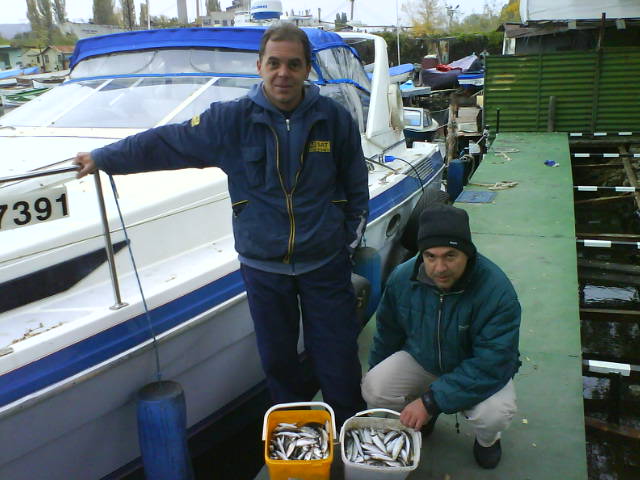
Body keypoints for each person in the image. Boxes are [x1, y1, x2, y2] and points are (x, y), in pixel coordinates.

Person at [74, 22, 369, 426]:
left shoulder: (333, 119)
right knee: (279, 363)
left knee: (338, 359)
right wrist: (104, 158)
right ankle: (294, 435)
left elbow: (356, 187)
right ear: (259, 66)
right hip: (264, 269)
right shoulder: (231, 120)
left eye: (293, 64)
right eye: (274, 63)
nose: (283, 73)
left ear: (307, 68)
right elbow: (167, 142)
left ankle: (349, 430)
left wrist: (345, 244)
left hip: (325, 264)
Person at [361, 204, 520, 469]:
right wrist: (378, 370)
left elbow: (493, 362)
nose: (439, 268)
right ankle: (427, 414)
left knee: (495, 414)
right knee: (374, 387)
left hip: (474, 367)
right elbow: (387, 335)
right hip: (422, 358)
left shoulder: (497, 290)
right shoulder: (402, 279)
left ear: (468, 253)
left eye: (450, 256)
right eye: (430, 256)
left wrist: (430, 402)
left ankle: (488, 440)